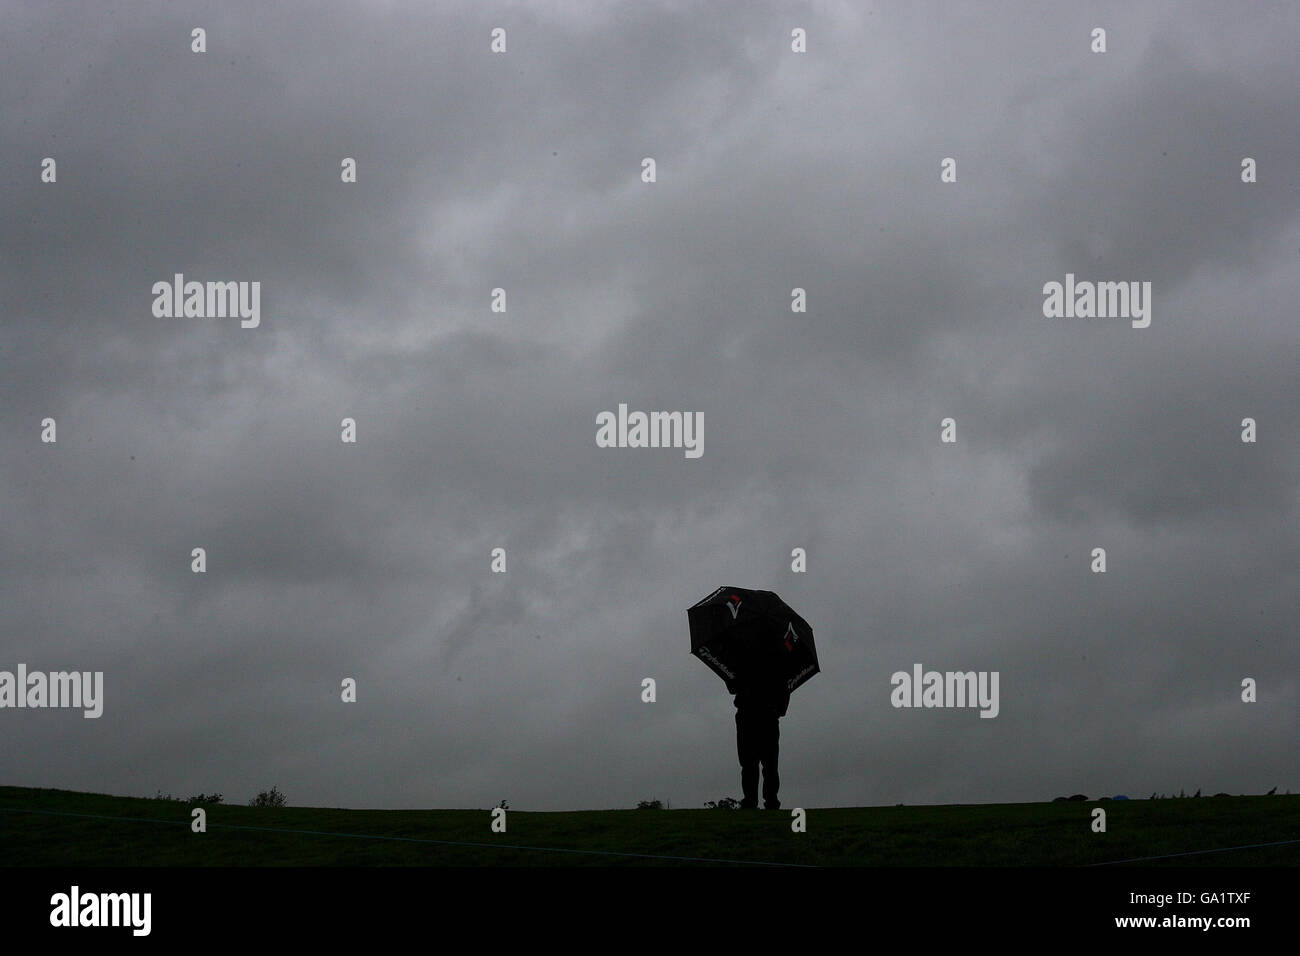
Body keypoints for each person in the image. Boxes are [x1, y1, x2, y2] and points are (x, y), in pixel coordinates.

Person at [725, 670, 790, 809]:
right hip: (765, 716)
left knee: (752, 763)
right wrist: (779, 709)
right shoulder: (778, 663)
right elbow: (785, 689)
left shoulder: (743, 661)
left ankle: (752, 800)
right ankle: (769, 800)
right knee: (767, 764)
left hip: (751, 716)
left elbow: (732, 686)